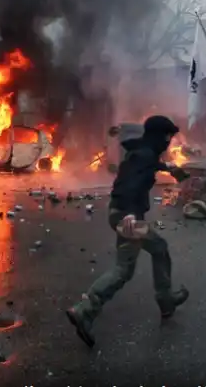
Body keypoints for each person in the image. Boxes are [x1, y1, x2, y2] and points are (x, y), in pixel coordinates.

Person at [66, 115, 191, 348]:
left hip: (122, 214)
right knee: (124, 269)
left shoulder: (144, 153)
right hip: (128, 217)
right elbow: (129, 185)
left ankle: (166, 302)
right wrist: (131, 213)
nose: (168, 141)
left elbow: (146, 166)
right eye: (167, 137)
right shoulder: (144, 155)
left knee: (159, 249)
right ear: (158, 136)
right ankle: (85, 310)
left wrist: (169, 168)